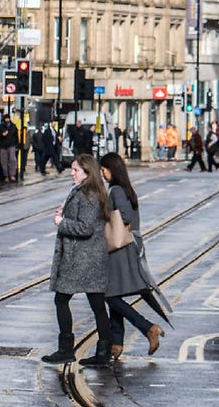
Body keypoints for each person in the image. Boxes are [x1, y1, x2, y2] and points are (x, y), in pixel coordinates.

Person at [41, 153, 113, 366]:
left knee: (63, 299)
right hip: (87, 258)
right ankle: (103, 351)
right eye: (72, 169)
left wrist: (61, 222)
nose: (71, 173)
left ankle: (66, 350)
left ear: (87, 173)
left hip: (82, 259)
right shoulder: (85, 192)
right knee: (97, 305)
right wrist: (66, 214)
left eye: (75, 170)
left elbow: (86, 228)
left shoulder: (88, 195)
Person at [100, 153, 169, 360]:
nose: (102, 173)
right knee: (114, 294)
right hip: (127, 248)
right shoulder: (125, 189)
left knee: (109, 295)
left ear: (112, 169)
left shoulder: (116, 190)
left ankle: (148, 328)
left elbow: (125, 218)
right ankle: (117, 343)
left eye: (104, 169)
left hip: (120, 249)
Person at [0, 115, 19, 184]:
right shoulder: (0, 127)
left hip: (11, 145)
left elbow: (16, 137)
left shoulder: (13, 127)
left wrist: (16, 145)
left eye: (8, 118)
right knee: (4, 161)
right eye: (6, 119)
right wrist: (2, 135)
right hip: (3, 146)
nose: (7, 120)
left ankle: (12, 175)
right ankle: (6, 176)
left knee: (12, 159)